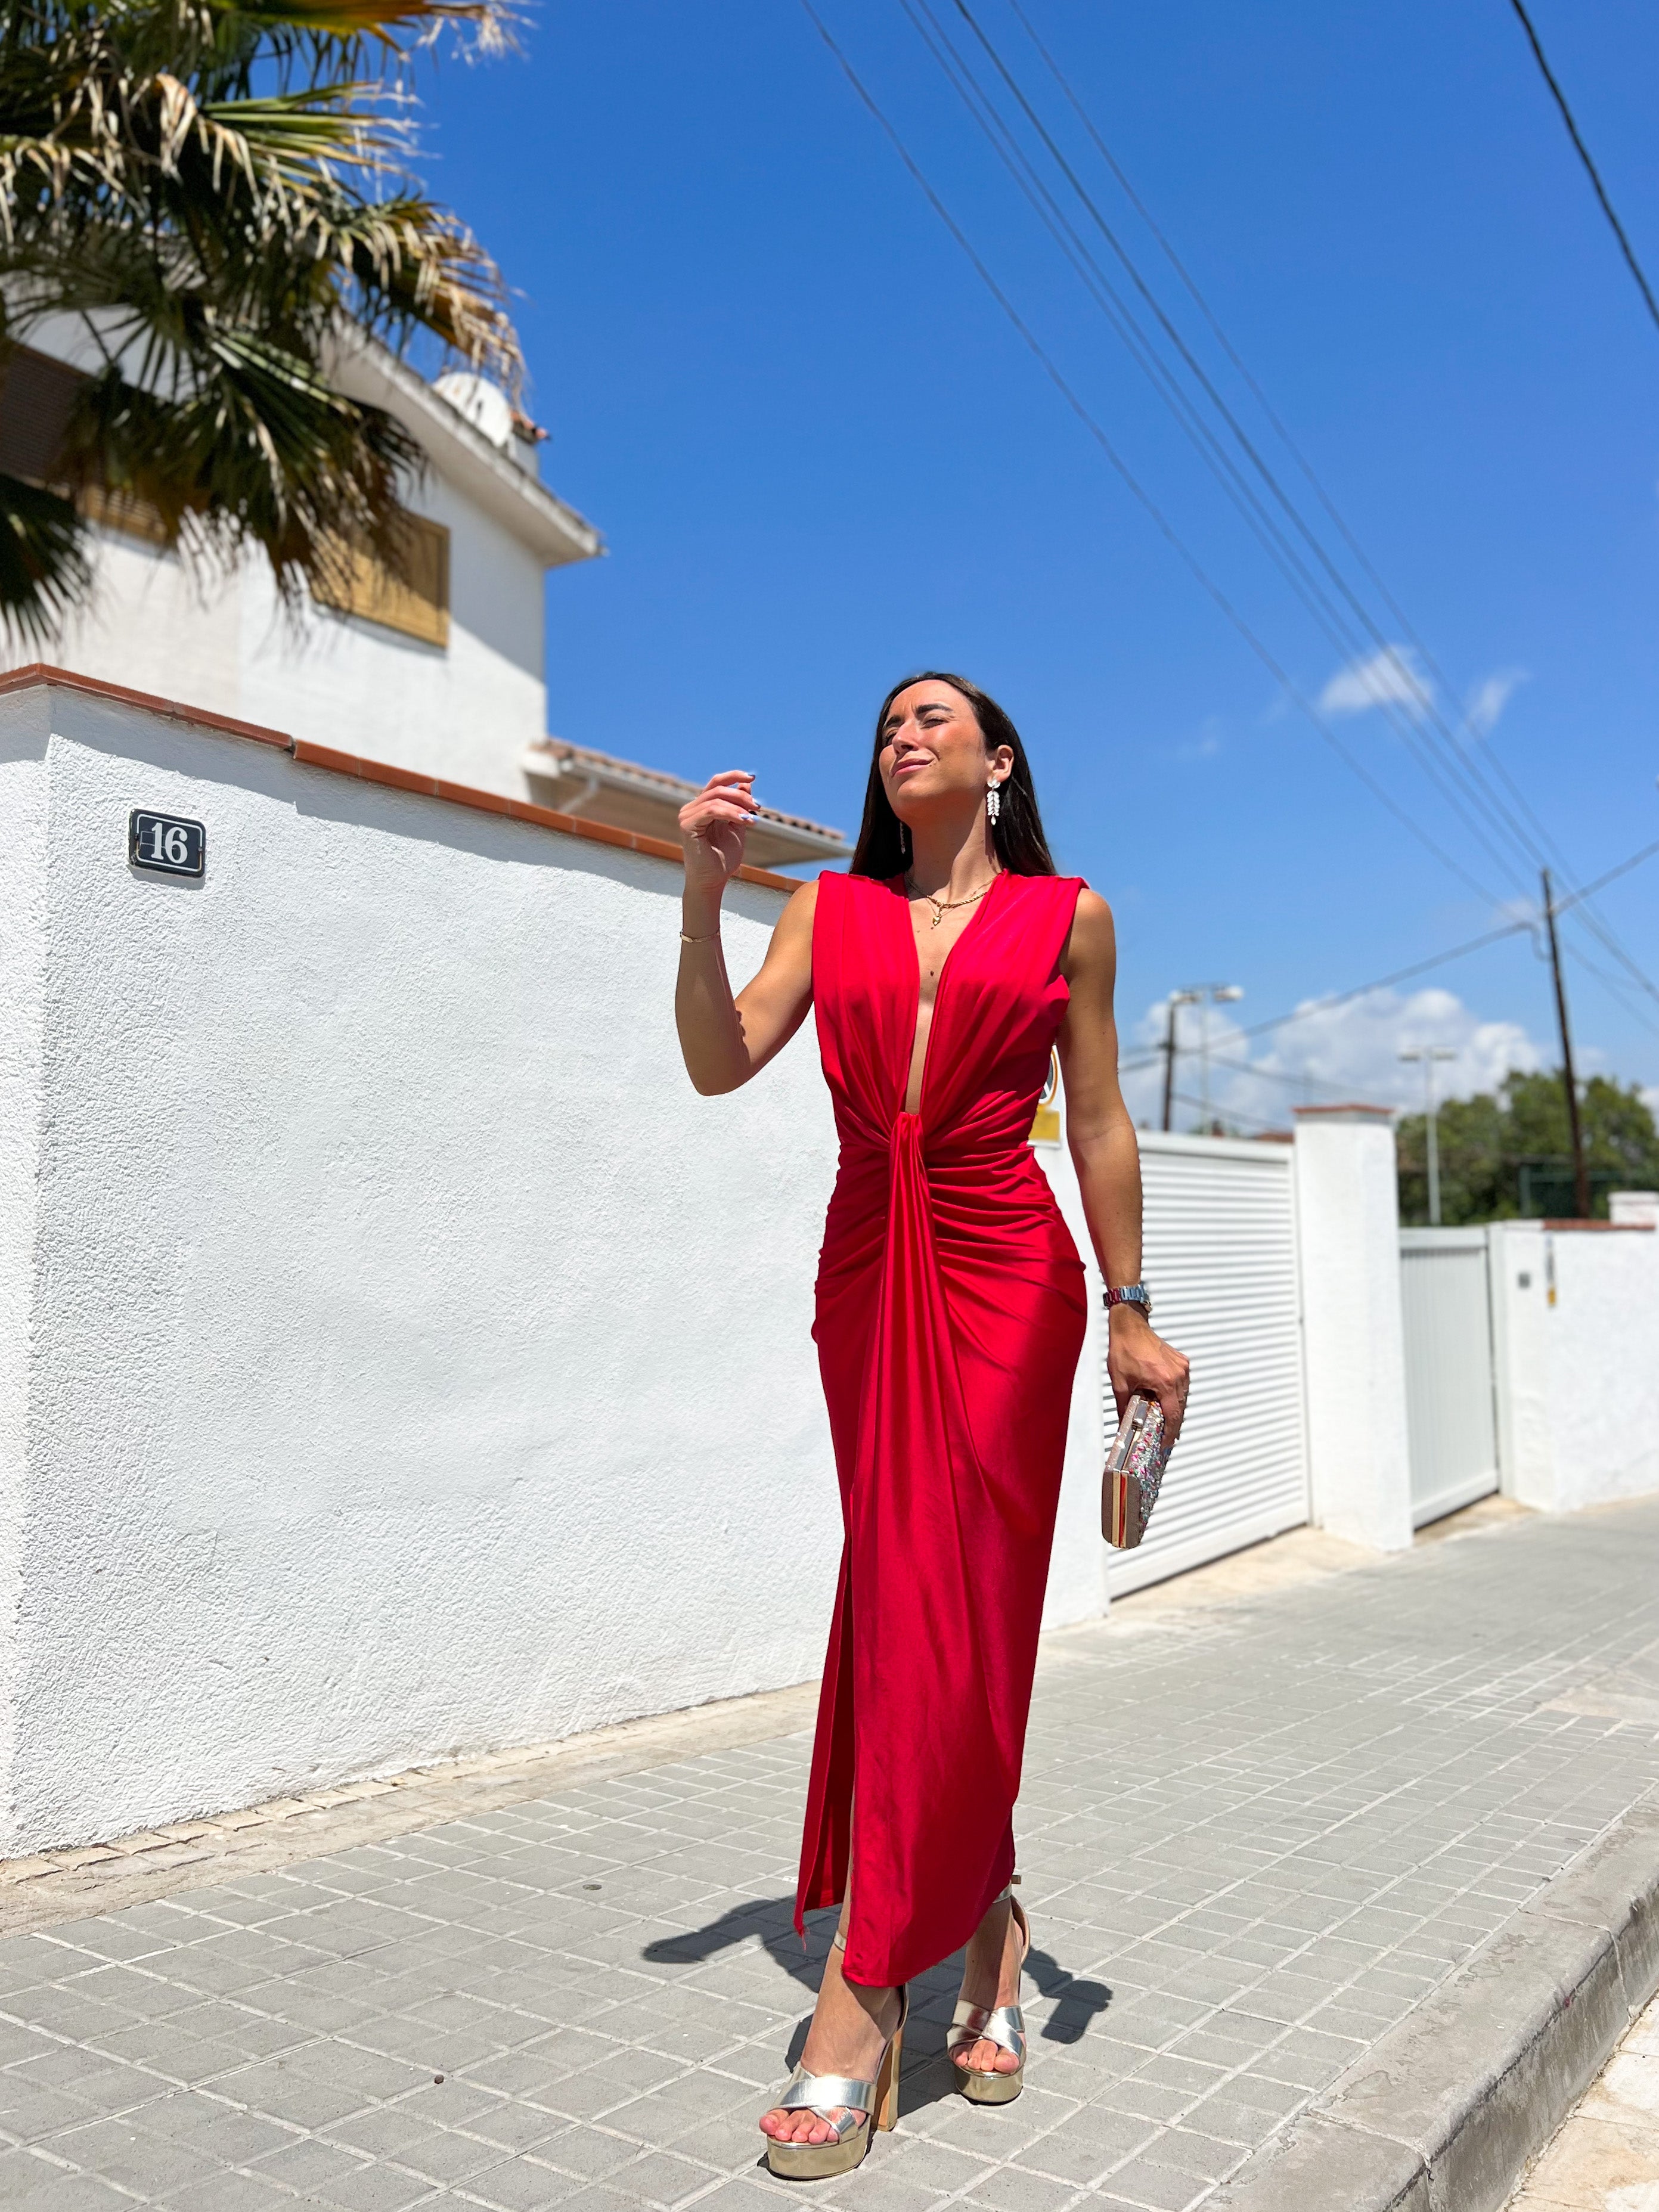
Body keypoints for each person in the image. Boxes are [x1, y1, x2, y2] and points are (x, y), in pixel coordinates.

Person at [675, 674, 1189, 2181]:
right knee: (908, 1594)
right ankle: (991, 1916)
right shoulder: (824, 913)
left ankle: (858, 1994)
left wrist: (1131, 1303)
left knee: (968, 1603)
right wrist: (702, 897)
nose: (903, 735)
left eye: (934, 717)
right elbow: (718, 1060)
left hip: (1008, 1268)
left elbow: (1095, 1115)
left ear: (998, 756)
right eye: (889, 724)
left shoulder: (1069, 915)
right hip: (865, 1270)